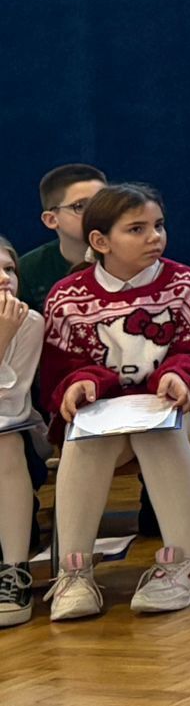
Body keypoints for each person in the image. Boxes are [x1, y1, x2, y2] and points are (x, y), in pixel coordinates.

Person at [38, 184, 190, 619]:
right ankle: (74, 570)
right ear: (100, 241)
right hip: (106, 415)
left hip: (181, 406)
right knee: (84, 436)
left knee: (157, 430)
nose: (154, 237)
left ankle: (186, 564)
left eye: (158, 225)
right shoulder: (67, 297)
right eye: (137, 229)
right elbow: (61, 371)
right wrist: (81, 383)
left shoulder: (184, 283)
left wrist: (179, 375)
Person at [0, 237, 46, 628]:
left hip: (13, 437)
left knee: (6, 442)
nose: (4, 279)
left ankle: (15, 573)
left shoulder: (29, 323)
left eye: (9, 269)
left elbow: (10, 405)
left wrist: (3, 338)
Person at [16, 164, 105, 312]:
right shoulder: (28, 270)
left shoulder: (131, 256)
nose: (97, 212)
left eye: (103, 202)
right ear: (51, 219)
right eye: (80, 206)